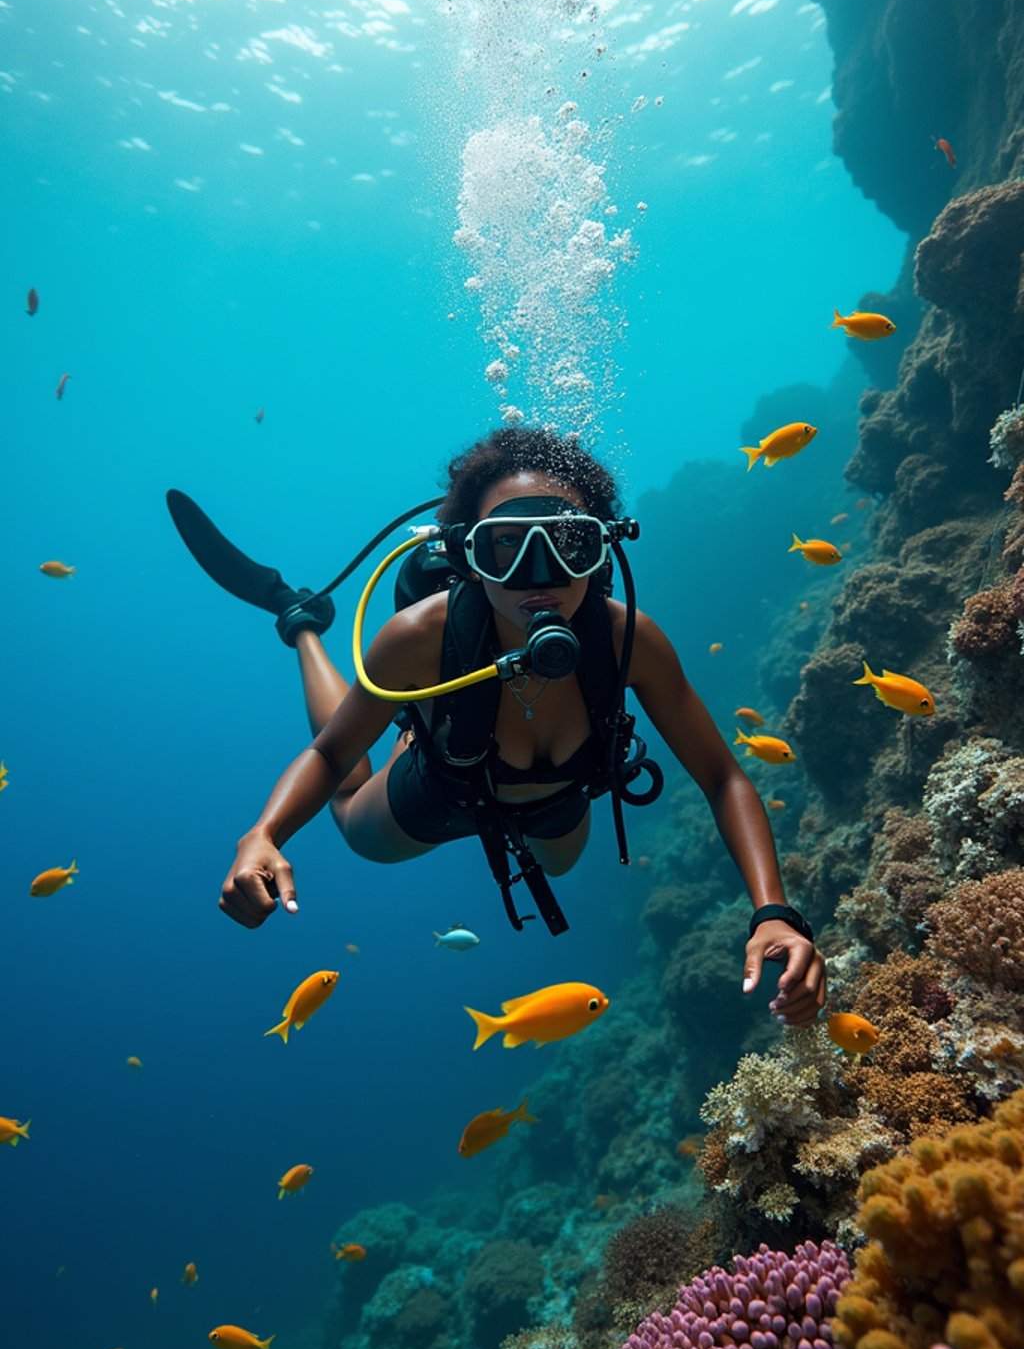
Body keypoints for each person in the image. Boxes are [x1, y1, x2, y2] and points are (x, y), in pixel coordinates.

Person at [171, 427, 826, 1028]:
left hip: (556, 803)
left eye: (567, 543)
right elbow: (332, 749)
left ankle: (418, 709)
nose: (537, 578)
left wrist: (772, 910)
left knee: (562, 866)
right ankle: (301, 621)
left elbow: (721, 775)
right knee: (349, 811)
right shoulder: (417, 636)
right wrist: (263, 834)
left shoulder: (631, 641)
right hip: (438, 789)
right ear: (468, 555)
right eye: (505, 546)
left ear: (600, 549)